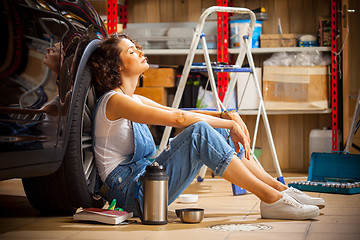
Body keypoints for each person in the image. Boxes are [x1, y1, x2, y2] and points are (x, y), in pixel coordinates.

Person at [89, 33, 325, 220]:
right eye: (132, 51)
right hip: (131, 195)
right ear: (117, 66)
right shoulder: (114, 101)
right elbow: (178, 120)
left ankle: (279, 188)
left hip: (149, 183)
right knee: (200, 132)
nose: (140, 52)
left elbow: (179, 112)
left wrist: (226, 115)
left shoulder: (132, 98)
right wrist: (230, 123)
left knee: (217, 129)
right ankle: (271, 199)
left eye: (137, 47)